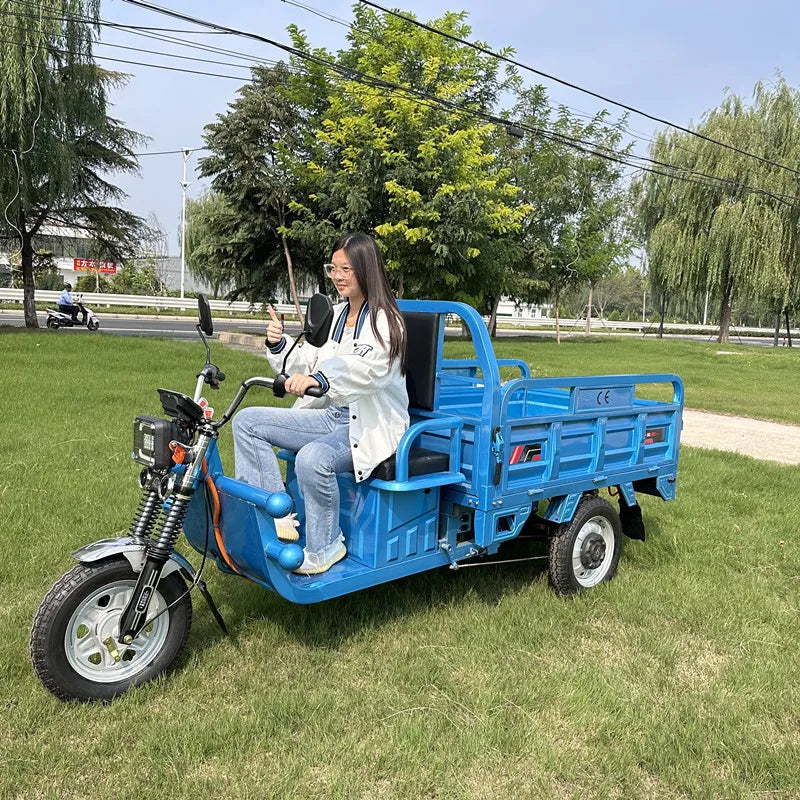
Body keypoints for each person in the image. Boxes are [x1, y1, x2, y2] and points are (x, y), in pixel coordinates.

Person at [233, 233, 409, 575]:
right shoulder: (337, 314)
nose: (338, 276)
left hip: (369, 424)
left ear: (367, 269)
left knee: (313, 458)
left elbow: (368, 369)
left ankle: (327, 546)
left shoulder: (387, 321)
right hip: (331, 414)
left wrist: (321, 380)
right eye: (334, 268)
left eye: (347, 269)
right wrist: (278, 344)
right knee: (247, 422)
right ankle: (276, 515)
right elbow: (306, 360)